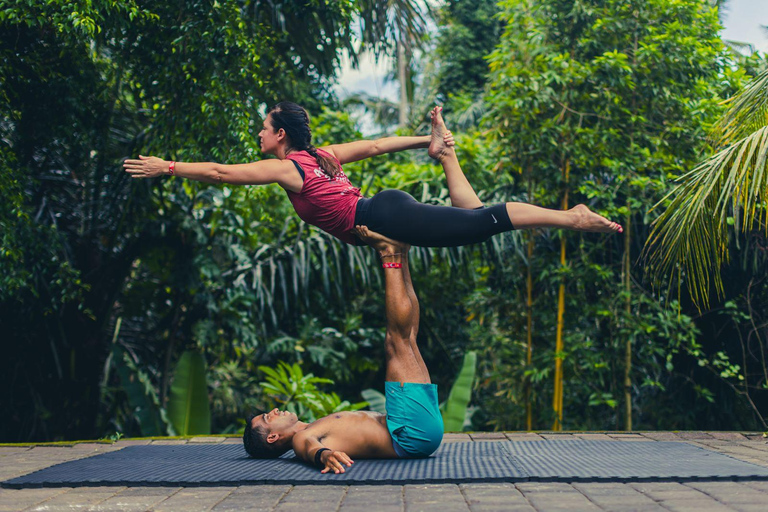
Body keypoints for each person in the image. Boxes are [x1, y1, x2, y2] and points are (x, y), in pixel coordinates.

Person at [124, 103, 622, 247]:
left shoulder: (289, 167)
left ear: (280, 136)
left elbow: (220, 173)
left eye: (263, 128)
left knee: (479, 223)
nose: (259, 134)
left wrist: (168, 166)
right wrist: (424, 141)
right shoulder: (321, 155)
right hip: (383, 208)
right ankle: (445, 154)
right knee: (472, 217)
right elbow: (380, 144)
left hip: (380, 212)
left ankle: (570, 217)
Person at [242, 226, 443, 472]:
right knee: (396, 340)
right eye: (266, 418)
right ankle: (390, 255)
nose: (272, 411)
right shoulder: (300, 439)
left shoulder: (314, 425)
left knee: (408, 338)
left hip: (412, 429)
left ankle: (401, 254)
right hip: (409, 433)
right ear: (272, 437)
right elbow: (309, 448)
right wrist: (324, 457)